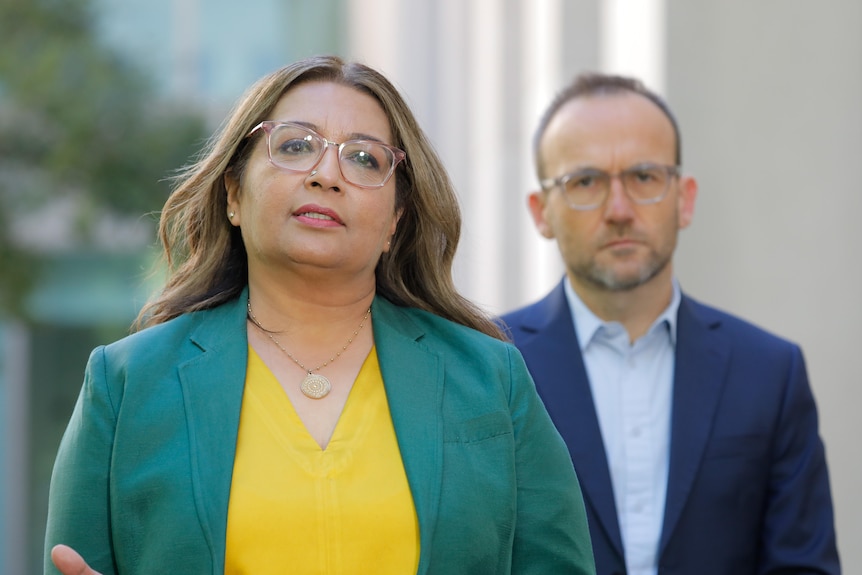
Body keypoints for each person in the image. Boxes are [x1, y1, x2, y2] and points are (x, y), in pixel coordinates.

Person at [43, 55, 596, 575]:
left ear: (395, 222)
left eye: (363, 158)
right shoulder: (126, 385)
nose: (326, 174)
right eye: (294, 146)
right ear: (233, 193)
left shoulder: (492, 380)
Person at [500, 72, 840, 575]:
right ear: (541, 212)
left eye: (644, 177)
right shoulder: (486, 365)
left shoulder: (770, 374)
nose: (619, 210)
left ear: (685, 199)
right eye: (586, 181)